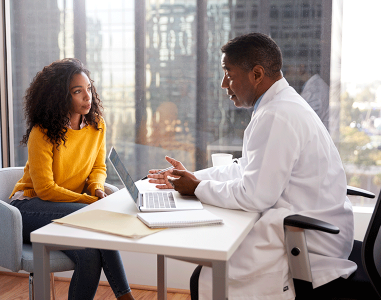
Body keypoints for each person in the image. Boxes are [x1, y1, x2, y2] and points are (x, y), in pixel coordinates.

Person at [148, 33, 356, 300]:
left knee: (208, 276)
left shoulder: (277, 114)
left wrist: (197, 188)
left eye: (229, 74)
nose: (224, 84)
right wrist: (190, 177)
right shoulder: (279, 105)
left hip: (309, 241)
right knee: (210, 264)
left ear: (256, 74)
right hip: (313, 226)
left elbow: (256, 195)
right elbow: (244, 168)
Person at [9, 58, 134, 300]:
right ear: (59, 97)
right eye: (78, 92)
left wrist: (96, 188)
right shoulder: (42, 132)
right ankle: (126, 297)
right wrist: (89, 203)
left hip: (70, 209)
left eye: (88, 89)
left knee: (89, 255)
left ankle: (124, 296)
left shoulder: (96, 125)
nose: (87, 97)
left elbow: (98, 167)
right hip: (28, 209)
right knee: (99, 219)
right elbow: (45, 189)